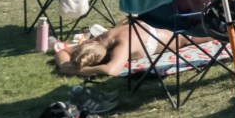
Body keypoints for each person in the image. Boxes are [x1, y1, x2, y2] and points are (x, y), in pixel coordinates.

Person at [55, 20, 199, 76]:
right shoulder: (100, 40)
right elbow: (63, 51)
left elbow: (111, 70)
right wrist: (64, 65)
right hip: (157, 22)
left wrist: (78, 70)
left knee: (201, 36)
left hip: (172, 36)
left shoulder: (122, 45)